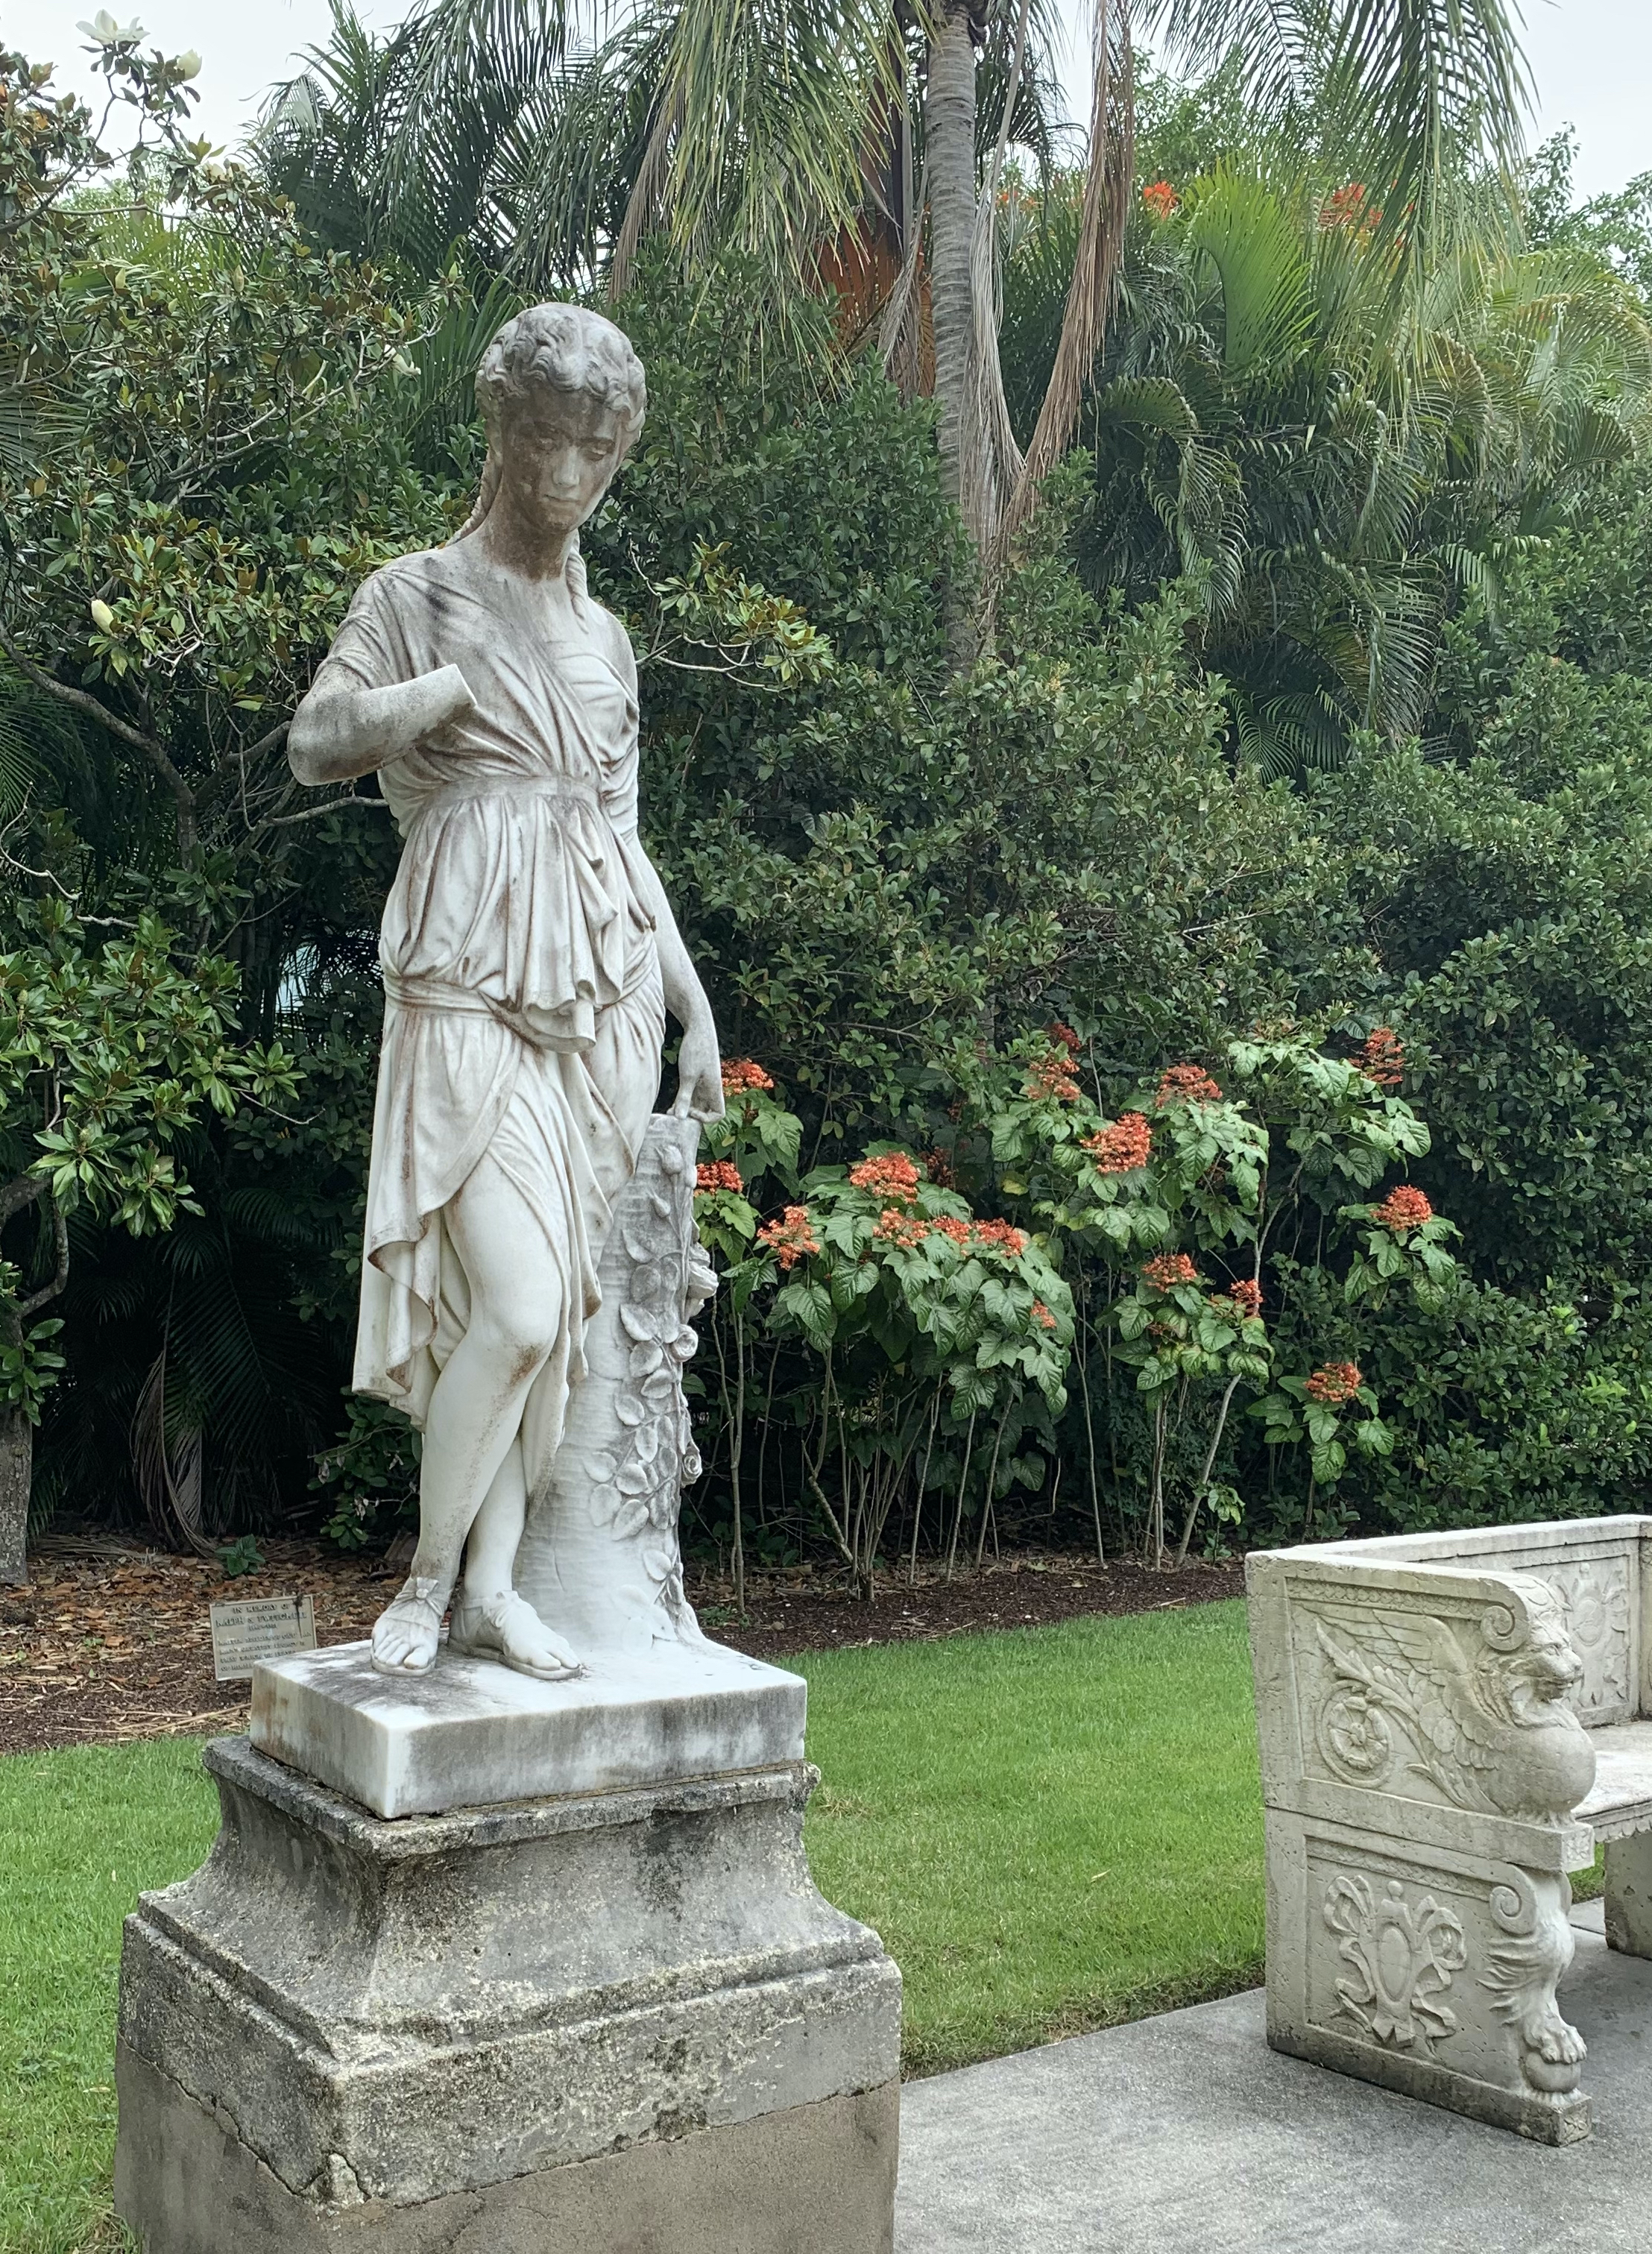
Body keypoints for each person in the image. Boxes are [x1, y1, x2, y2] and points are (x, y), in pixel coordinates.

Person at [287, 304, 722, 1681]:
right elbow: (317, 742)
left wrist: (693, 1004)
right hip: (464, 973)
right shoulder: (414, 593)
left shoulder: (608, 636)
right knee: (520, 1305)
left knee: (550, 1323)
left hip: (600, 1000)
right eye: (553, 441)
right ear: (504, 432)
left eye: (600, 450)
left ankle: (488, 1587)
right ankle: (420, 1587)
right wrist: (442, 693)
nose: (575, 474)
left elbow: (624, 835)